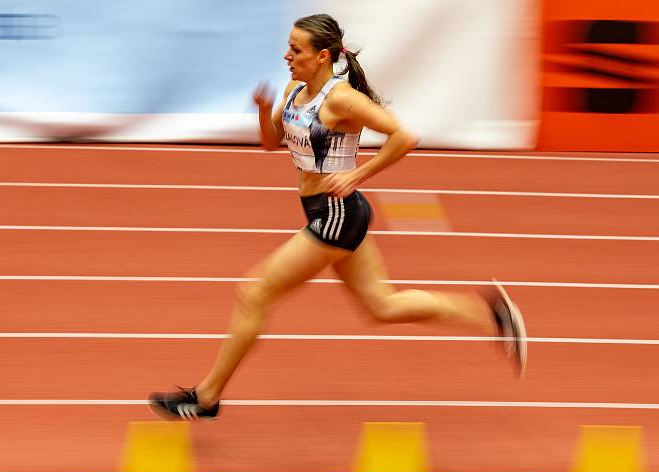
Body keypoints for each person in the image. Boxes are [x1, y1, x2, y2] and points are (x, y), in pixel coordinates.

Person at [149, 13, 526, 420]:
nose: (286, 55)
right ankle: (490, 314)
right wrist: (262, 110)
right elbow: (269, 143)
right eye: (288, 46)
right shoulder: (295, 89)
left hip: (335, 216)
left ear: (322, 55)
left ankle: (206, 398)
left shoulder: (341, 99)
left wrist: (358, 173)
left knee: (253, 293)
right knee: (382, 306)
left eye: (296, 49)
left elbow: (405, 137)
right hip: (333, 212)